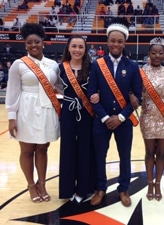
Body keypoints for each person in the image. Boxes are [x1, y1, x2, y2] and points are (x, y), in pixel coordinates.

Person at [87, 17, 142, 207]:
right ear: (107, 41)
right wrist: (104, 117)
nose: (116, 44)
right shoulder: (97, 65)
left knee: (124, 156)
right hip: (101, 120)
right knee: (99, 156)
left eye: (120, 41)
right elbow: (91, 93)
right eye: (113, 40)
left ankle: (124, 189)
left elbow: (137, 97)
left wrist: (119, 117)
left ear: (124, 42)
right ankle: (100, 188)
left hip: (123, 121)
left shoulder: (133, 66)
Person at [5, 23, 61, 203]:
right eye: (29, 43)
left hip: (47, 109)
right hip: (26, 110)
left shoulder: (53, 65)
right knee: (27, 150)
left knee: (43, 148)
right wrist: (11, 117)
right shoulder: (18, 65)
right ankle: (31, 185)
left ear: (43, 43)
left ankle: (42, 183)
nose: (33, 45)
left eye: (37, 42)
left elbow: (60, 86)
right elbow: (12, 92)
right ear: (25, 45)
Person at [58, 35, 96, 203]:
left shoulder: (92, 68)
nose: (77, 50)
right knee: (67, 149)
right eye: (74, 46)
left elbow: (98, 88)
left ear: (85, 49)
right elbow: (54, 89)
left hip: (87, 113)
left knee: (85, 149)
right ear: (68, 48)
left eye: (81, 47)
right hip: (68, 111)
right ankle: (67, 189)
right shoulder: (60, 68)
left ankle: (84, 188)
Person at [139, 37, 164, 201]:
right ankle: (149, 183)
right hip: (147, 116)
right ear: (149, 54)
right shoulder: (141, 72)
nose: (157, 56)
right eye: (153, 53)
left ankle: (158, 183)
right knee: (149, 153)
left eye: (160, 53)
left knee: (161, 154)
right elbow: (132, 90)